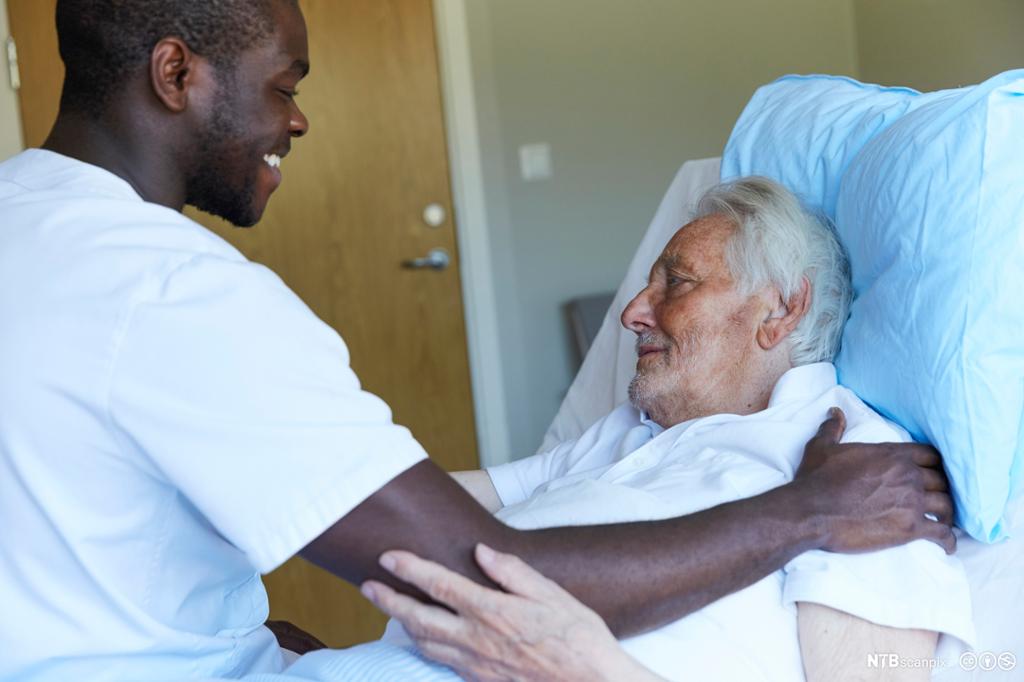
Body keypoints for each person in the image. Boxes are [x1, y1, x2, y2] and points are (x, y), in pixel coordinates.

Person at [0, 1, 956, 680]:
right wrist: (799, 517)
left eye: (679, 282)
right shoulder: (175, 294)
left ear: (779, 313)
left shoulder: (849, 460)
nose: (296, 118)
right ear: (176, 74)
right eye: (283, 85)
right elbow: (460, 556)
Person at [278, 178, 973, 681]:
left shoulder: (855, 473)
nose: (633, 312)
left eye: (677, 283)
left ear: (782, 310)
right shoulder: (629, 432)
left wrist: (583, 669)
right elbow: (427, 500)